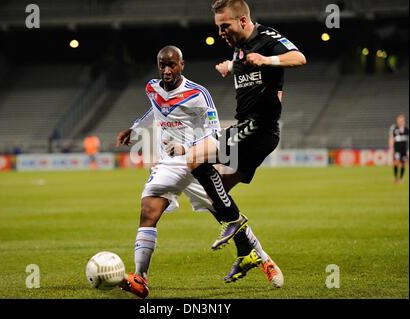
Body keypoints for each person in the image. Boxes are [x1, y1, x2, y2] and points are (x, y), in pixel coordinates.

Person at [183, 0, 307, 287]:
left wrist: (268, 60)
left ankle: (236, 226)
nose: (221, 32)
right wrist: (230, 66)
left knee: (193, 159)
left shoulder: (267, 38)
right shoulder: (239, 48)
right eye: (217, 27)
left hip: (256, 128)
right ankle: (251, 254)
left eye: (224, 26)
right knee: (215, 196)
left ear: (242, 20)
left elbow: (299, 57)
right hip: (254, 133)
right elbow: (245, 64)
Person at [115, 45, 222, 299]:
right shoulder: (152, 87)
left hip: (195, 163)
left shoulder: (199, 94)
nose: (166, 70)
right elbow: (154, 109)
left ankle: (263, 260)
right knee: (148, 211)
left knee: (226, 213)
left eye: (171, 64)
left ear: (182, 65)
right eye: (162, 64)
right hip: (167, 164)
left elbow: (214, 132)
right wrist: (135, 129)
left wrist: (187, 146)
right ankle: (140, 278)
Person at [389, 113, 409, 184]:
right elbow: (391, 138)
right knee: (396, 162)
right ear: (397, 121)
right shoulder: (394, 128)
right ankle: (395, 178)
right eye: (400, 120)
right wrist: (391, 148)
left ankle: (401, 179)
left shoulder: (406, 129)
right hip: (397, 149)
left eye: (402, 120)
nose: (401, 121)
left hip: (404, 149)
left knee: (403, 163)